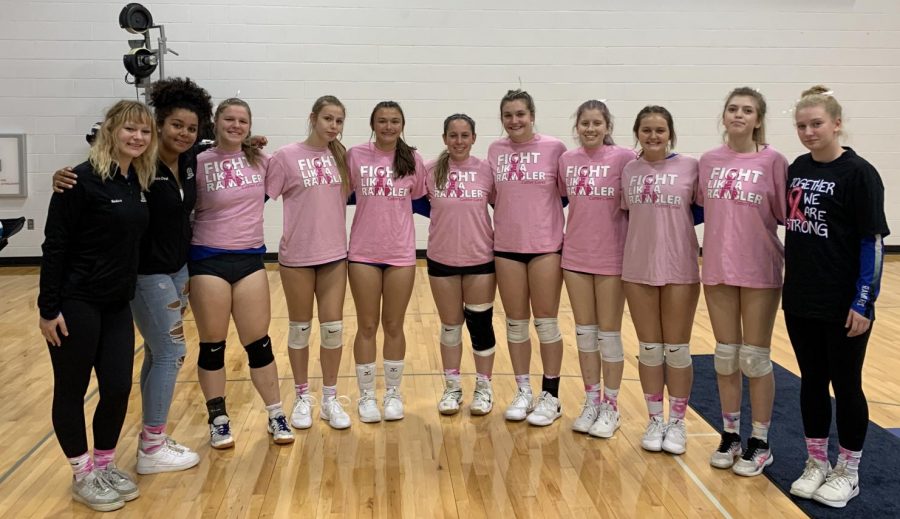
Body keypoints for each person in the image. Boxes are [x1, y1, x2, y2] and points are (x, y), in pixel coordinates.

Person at [52, 78, 214, 474]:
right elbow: (95, 178)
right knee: (173, 354)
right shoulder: (143, 162)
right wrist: (63, 178)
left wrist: (251, 141)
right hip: (144, 275)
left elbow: (224, 144)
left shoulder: (190, 161)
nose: (183, 133)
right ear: (161, 123)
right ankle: (152, 446)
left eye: (191, 128)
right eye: (175, 125)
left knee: (158, 355)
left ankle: (149, 439)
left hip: (177, 271)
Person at [38, 100, 156, 511]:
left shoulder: (135, 181)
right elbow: (54, 246)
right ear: (110, 132)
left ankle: (104, 464)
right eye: (129, 130)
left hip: (116, 304)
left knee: (118, 388)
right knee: (71, 390)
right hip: (76, 303)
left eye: (144, 131)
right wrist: (48, 309)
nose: (137, 137)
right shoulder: (78, 181)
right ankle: (82, 473)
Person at [784, 85, 888, 508]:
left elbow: (873, 241)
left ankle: (849, 469)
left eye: (817, 124)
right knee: (811, 382)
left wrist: (863, 300)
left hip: (844, 303)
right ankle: (816, 463)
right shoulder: (795, 167)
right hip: (800, 297)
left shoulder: (859, 173)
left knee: (846, 385)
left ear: (837, 123)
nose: (809, 132)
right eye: (802, 126)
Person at [190, 98, 293, 447]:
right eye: (229, 119)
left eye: (242, 121)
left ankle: (276, 413)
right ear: (215, 123)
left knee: (259, 343)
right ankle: (218, 418)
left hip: (249, 259)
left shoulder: (263, 161)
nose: (235, 125)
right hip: (207, 259)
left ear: (250, 126)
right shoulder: (198, 161)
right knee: (213, 345)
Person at [699, 87, 787, 476]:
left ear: (758, 119)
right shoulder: (708, 161)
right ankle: (731, 434)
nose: (738, 115)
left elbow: (788, 216)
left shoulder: (773, 161)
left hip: (759, 270)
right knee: (725, 354)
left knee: (755, 358)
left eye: (746, 110)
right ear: (724, 115)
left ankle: (760, 441)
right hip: (717, 267)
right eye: (732, 108)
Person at [266, 95, 352, 430]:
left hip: (334, 255)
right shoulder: (286, 156)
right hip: (297, 257)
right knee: (299, 329)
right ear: (313, 118)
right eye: (328, 119)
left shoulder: (343, 157)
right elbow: (260, 193)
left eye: (339, 121)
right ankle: (303, 396)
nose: (333, 126)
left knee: (333, 329)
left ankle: (330, 398)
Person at [621, 105, 700, 455]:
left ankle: (678, 423)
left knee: (677, 350)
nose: (653, 136)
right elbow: (628, 214)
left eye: (660, 130)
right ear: (637, 133)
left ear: (671, 133)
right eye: (647, 130)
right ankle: (655, 419)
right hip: (637, 267)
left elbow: (698, 211)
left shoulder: (690, 168)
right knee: (650, 349)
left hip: (680, 266)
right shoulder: (628, 170)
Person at [487, 89, 567, 426]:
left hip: (545, 246)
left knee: (546, 322)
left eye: (520, 114)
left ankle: (551, 395)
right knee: (516, 323)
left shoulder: (554, 148)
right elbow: (495, 196)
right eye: (508, 115)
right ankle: (523, 390)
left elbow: (563, 194)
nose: (514, 120)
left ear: (532, 115)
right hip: (506, 246)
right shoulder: (495, 150)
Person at [347, 101, 427, 422]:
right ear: (373, 124)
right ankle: (366, 396)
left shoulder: (413, 160)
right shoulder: (355, 156)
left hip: (401, 254)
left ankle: (393, 392)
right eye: (382, 121)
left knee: (394, 325)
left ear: (402, 124)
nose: (388, 127)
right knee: (366, 325)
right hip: (363, 253)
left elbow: (420, 199)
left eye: (394, 121)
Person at [558, 100, 634, 437]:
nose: (590, 129)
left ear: (607, 126)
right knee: (585, 334)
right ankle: (591, 401)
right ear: (577, 126)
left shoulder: (624, 159)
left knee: (609, 334)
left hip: (612, 258)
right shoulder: (566, 160)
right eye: (585, 123)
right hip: (574, 256)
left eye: (597, 123)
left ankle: (611, 406)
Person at [425, 114, 497, 415]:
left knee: (480, 326)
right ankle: (452, 388)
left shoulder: (486, 171)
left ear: (474, 138)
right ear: (444, 138)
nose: (458, 141)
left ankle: (484, 388)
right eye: (453, 135)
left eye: (464, 135)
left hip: (480, 259)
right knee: (451, 327)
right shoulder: (429, 171)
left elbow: (507, 206)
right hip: (442, 259)